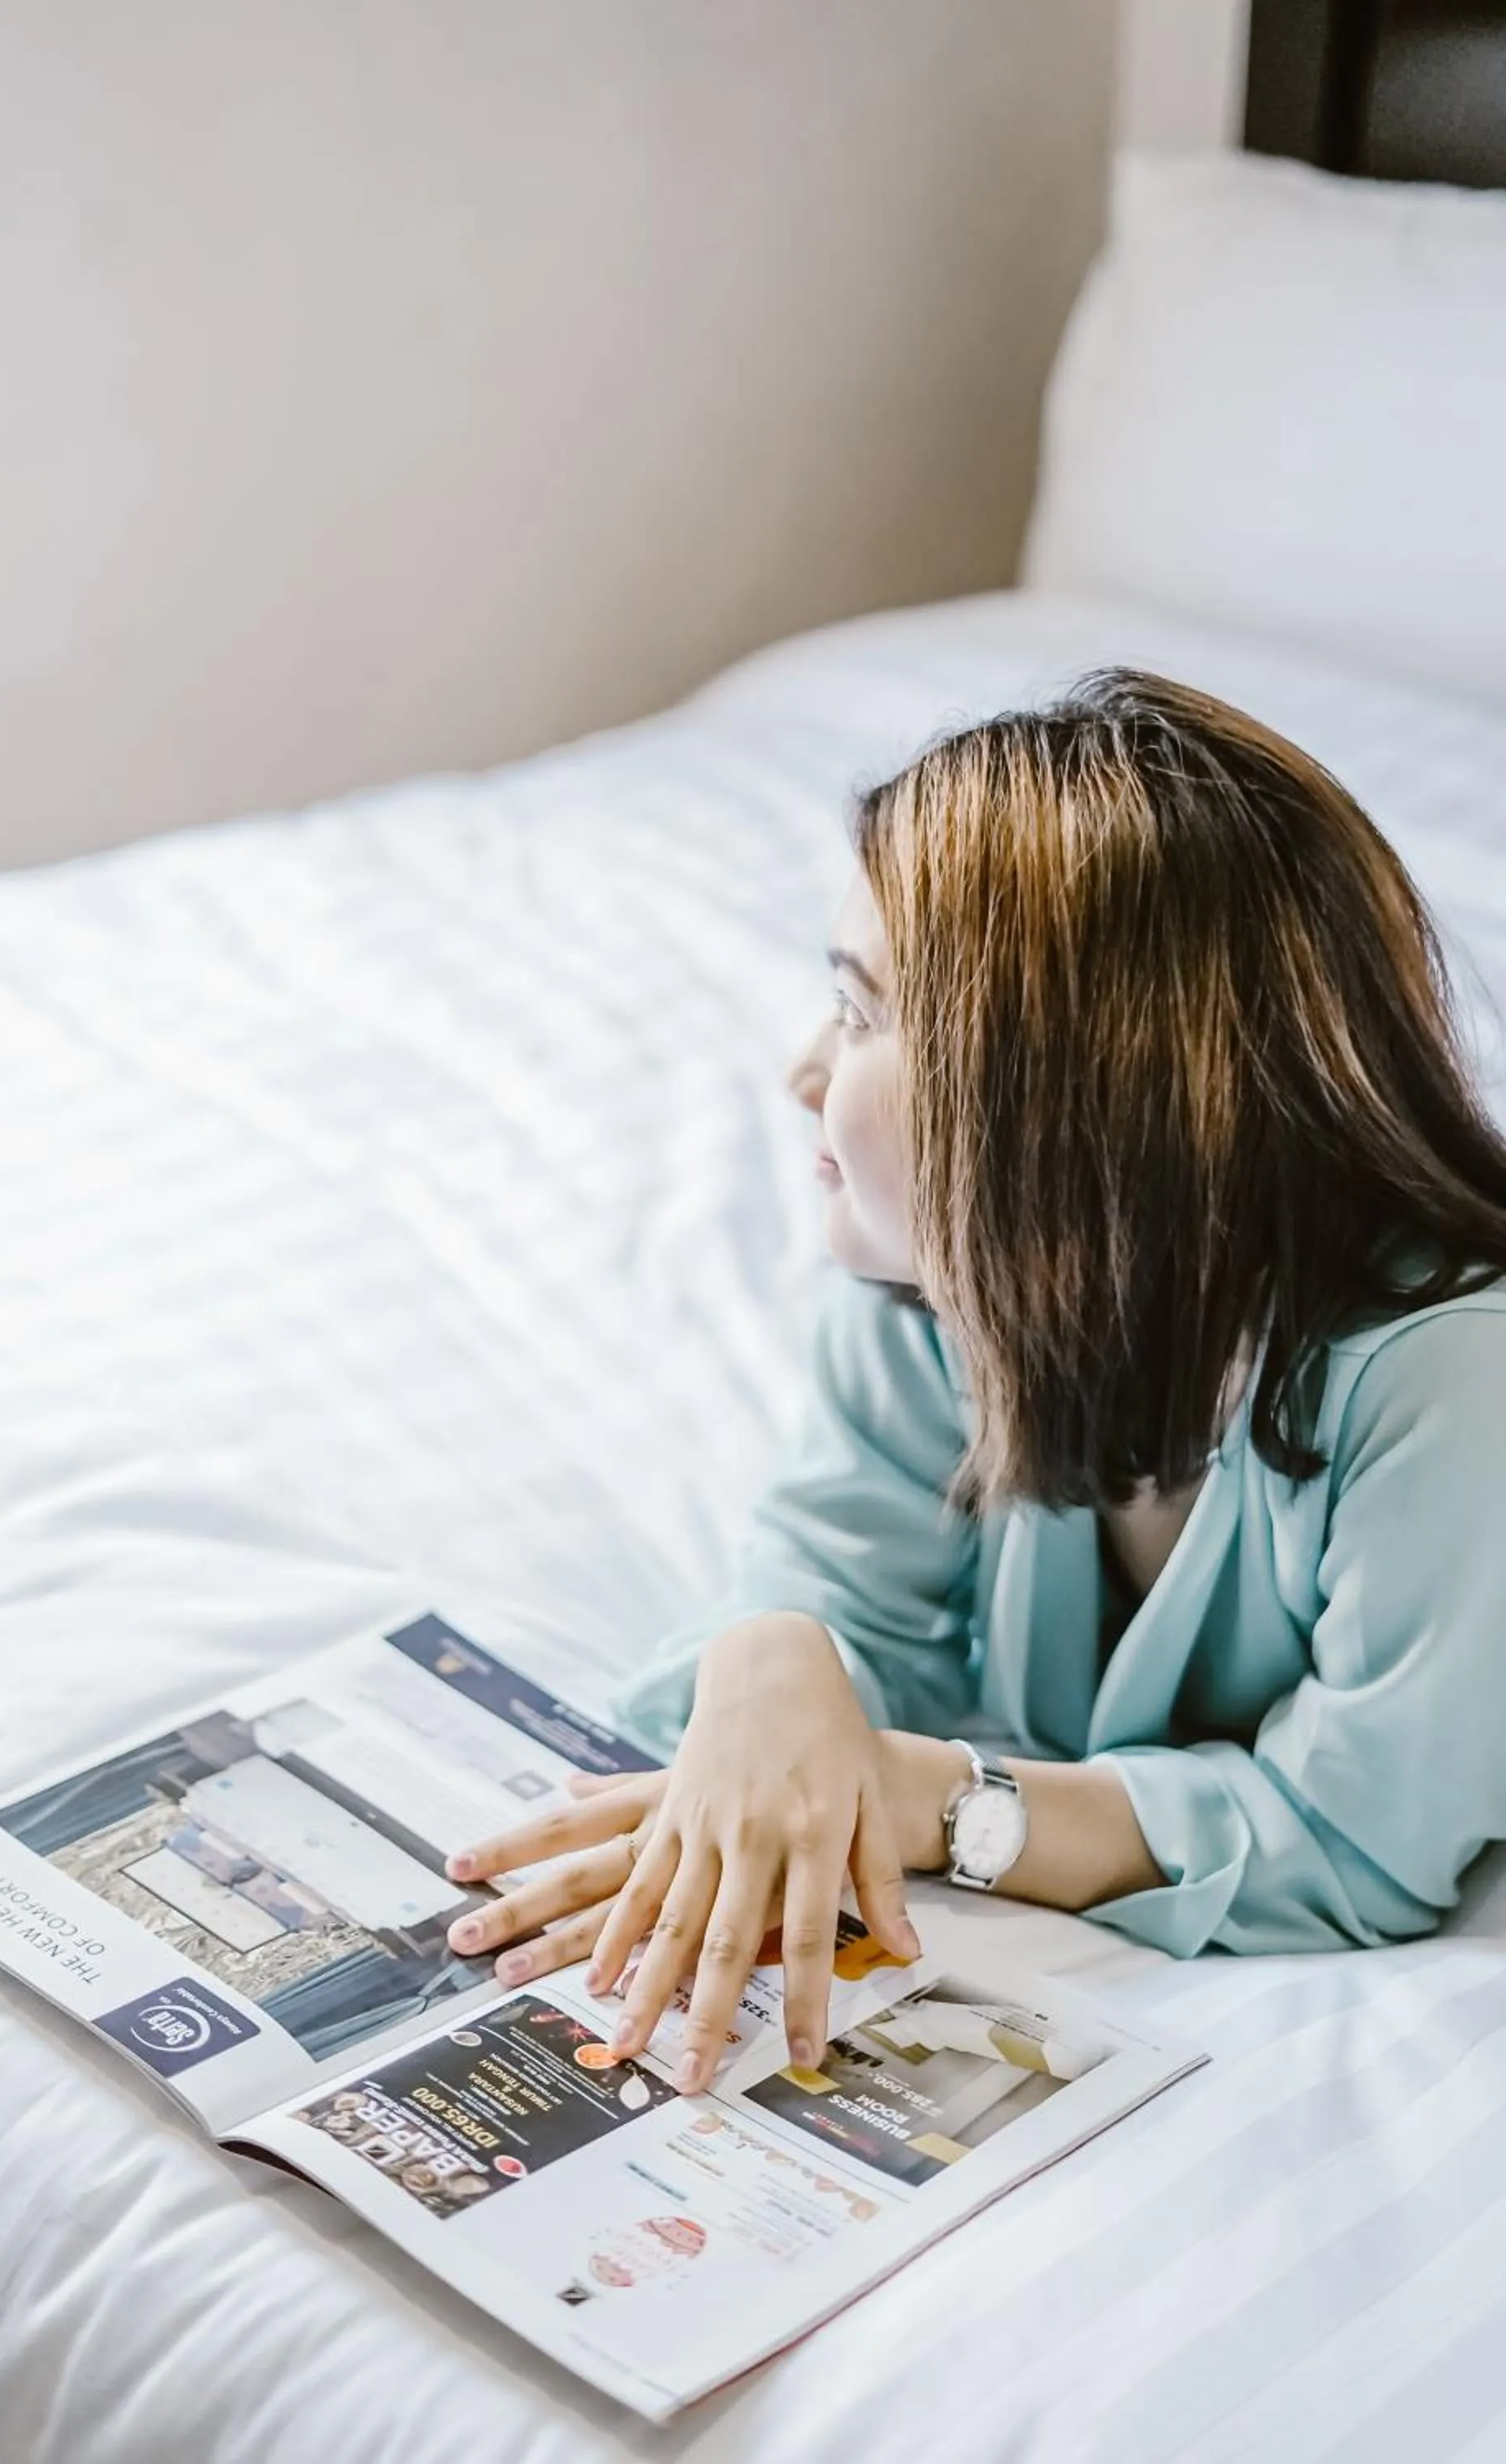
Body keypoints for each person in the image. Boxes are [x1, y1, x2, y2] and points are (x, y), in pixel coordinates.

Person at [443, 669, 1506, 2092]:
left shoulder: (1449, 1381)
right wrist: (771, 1658)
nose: (801, 1070)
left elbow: (1357, 1844)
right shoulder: (942, 1280)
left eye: (864, 1014)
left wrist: (939, 1800)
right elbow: (841, 1593)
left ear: (1071, 1094)